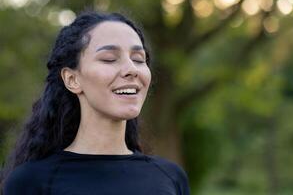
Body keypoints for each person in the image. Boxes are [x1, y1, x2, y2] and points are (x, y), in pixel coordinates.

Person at [1, 10, 190, 195]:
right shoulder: (32, 181)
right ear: (72, 80)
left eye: (138, 59)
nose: (131, 69)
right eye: (109, 59)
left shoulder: (169, 178)